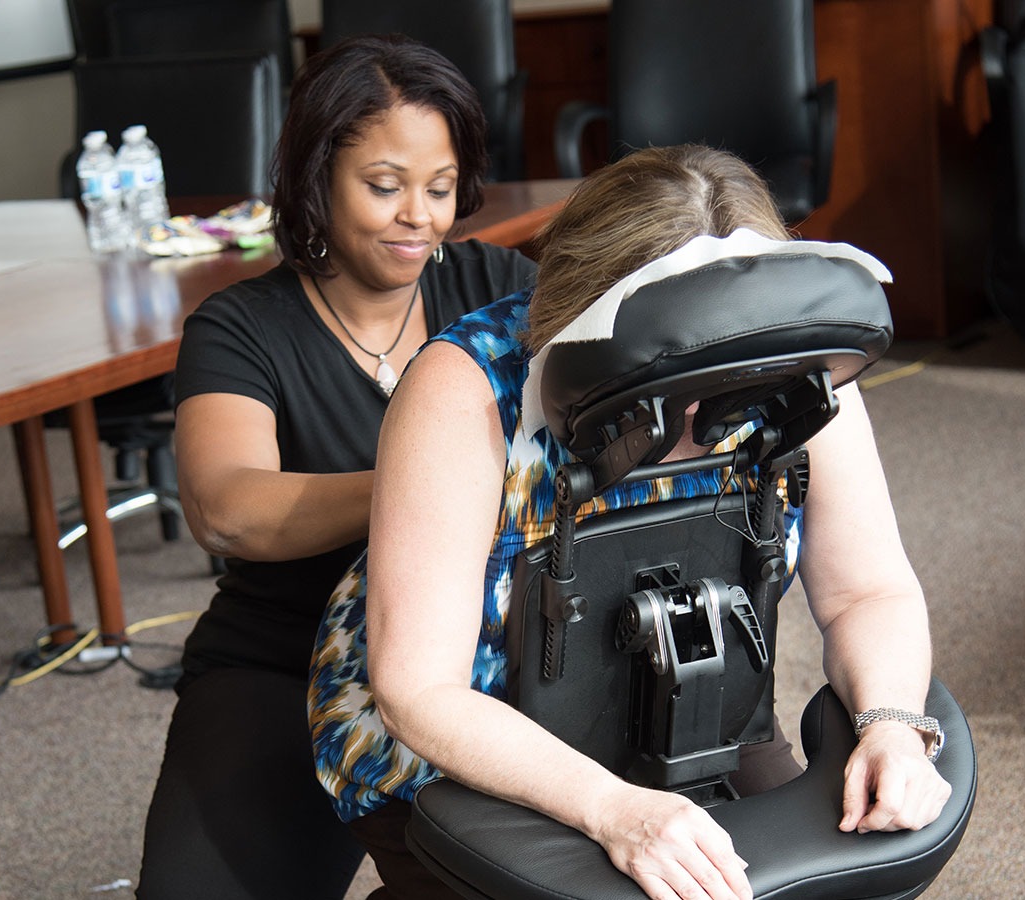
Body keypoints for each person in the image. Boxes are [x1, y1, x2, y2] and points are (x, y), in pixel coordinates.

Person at [308, 144, 953, 900]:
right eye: (670, 390)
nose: (698, 426)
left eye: (722, 393)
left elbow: (868, 591)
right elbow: (419, 691)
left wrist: (891, 727)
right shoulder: (467, 388)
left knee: (823, 878)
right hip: (462, 747)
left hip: (690, 707)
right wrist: (614, 810)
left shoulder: (791, 369)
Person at [136, 35, 538, 899]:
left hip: (486, 649)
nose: (420, 218)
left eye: (440, 189)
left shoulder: (497, 285)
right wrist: (433, 485)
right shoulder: (240, 327)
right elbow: (226, 510)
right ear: (316, 178)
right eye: (385, 187)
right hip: (283, 656)